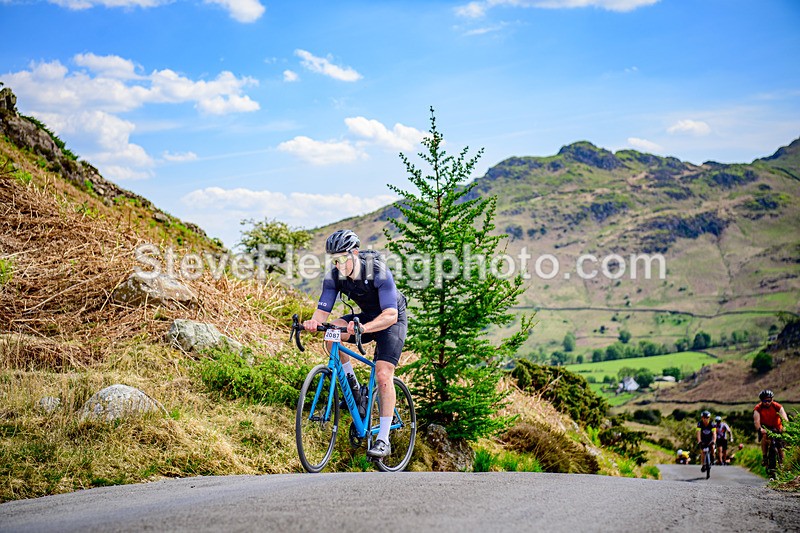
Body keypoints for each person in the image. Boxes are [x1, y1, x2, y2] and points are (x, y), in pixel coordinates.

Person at [303, 230, 407, 459]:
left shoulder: (378, 271)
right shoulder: (334, 275)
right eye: (334, 260)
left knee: (382, 374)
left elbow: (390, 314)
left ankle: (383, 440)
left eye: (341, 258)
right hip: (366, 317)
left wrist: (365, 329)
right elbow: (322, 311)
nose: (338, 264)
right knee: (332, 334)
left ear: (355, 253)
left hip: (391, 320)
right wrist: (312, 323)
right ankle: (354, 387)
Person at [753, 389, 789, 467]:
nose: (767, 402)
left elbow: (785, 418)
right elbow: (756, 421)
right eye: (764, 400)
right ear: (761, 400)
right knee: (764, 437)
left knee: (781, 446)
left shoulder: (777, 406)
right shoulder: (758, 408)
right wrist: (760, 429)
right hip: (766, 428)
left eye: (769, 400)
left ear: (772, 399)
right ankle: (765, 457)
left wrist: (785, 427)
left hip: (778, 428)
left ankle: (783, 465)